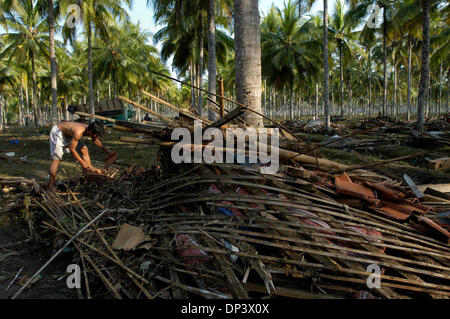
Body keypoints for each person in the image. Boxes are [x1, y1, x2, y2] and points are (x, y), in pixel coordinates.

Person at [48, 120, 115, 191]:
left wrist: (107, 151)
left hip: (69, 134)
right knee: (56, 159)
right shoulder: (78, 133)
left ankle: (89, 175)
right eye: (95, 135)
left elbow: (95, 140)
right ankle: (51, 186)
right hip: (58, 133)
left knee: (84, 149)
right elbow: (72, 149)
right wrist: (82, 163)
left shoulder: (89, 129)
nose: (96, 137)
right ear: (90, 131)